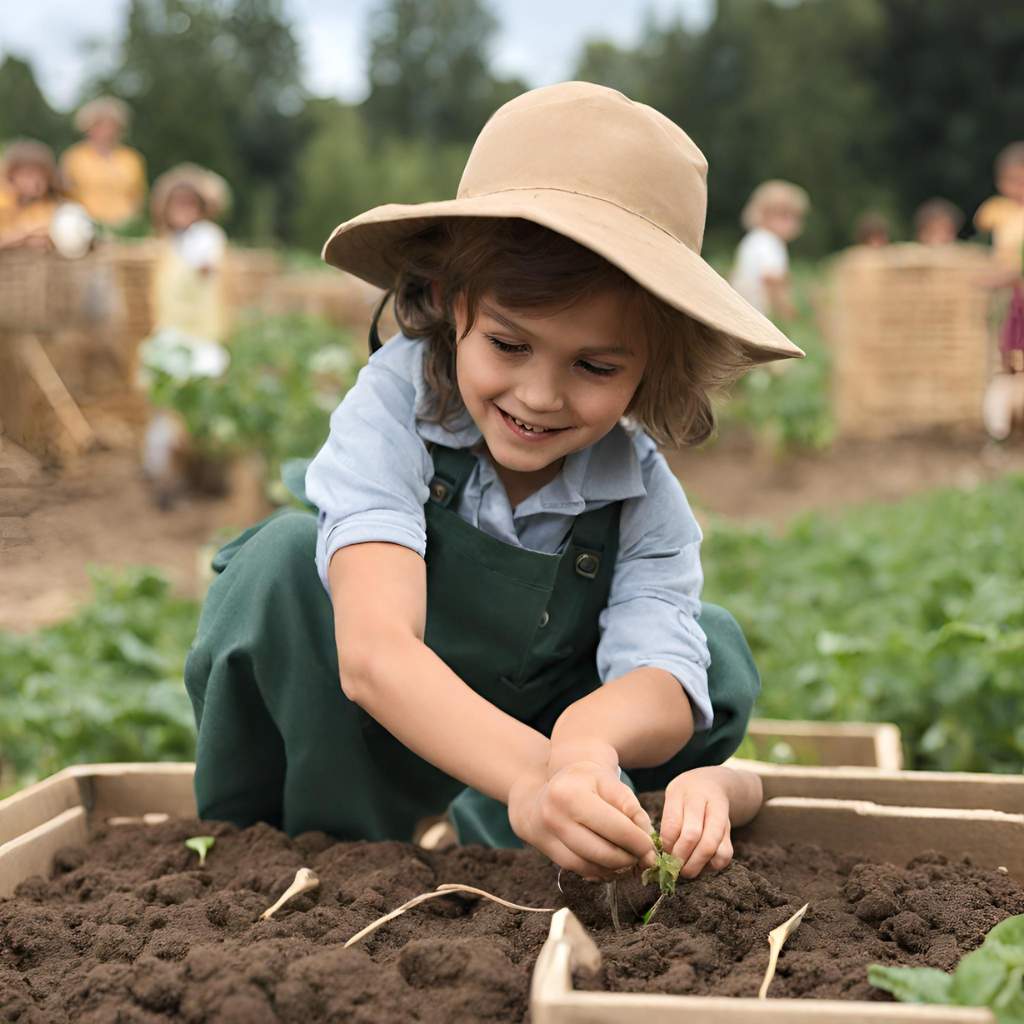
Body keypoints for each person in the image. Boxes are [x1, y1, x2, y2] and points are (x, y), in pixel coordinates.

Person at [185, 83, 799, 879]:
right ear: (450, 300)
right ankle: (289, 852)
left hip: (538, 761)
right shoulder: (393, 409)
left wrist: (582, 749)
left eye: (595, 366)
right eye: (509, 345)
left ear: (655, 365)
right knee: (277, 565)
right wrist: (529, 778)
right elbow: (374, 654)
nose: (540, 396)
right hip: (366, 747)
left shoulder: (641, 497)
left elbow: (661, 678)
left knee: (704, 653)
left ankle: (540, 832)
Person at [138, 164, 232, 507]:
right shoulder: (162, 245)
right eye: (177, 203)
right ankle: (164, 478)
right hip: (170, 337)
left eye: (191, 203)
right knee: (165, 411)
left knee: (201, 411)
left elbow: (208, 265)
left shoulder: (207, 238)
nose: (183, 210)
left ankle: (202, 476)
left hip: (202, 338)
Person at [59, 96, 147, 229]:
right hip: (86, 225)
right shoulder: (73, 157)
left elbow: (139, 197)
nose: (107, 129)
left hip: (125, 227)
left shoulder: (133, 159)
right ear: (88, 126)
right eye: (100, 124)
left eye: (112, 124)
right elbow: (63, 193)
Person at [975, 142, 1024, 377]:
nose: (1017, 188)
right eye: (1011, 181)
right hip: (1010, 294)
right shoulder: (999, 212)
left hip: (1014, 283)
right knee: (1008, 347)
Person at [729, 179, 809, 322]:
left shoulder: (752, 239)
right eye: (784, 216)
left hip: (742, 315)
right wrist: (784, 310)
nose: (792, 223)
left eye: (795, 217)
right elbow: (771, 279)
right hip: (760, 319)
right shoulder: (770, 243)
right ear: (764, 214)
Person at [0, 140, 64, 249]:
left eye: (41, 174)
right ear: (11, 175)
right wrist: (25, 237)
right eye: (28, 173)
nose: (35, 181)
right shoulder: (3, 202)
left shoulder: (50, 207)